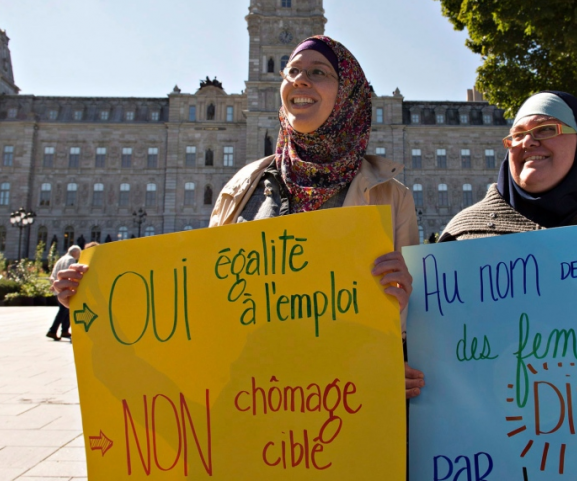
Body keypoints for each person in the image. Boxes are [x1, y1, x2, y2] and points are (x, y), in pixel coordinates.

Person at [53, 36, 421, 397]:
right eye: (291, 70)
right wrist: (97, 298)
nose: (299, 79)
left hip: (347, 397)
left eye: (319, 72)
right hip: (250, 399)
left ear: (348, 95)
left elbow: (417, 320)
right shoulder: (242, 186)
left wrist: (405, 325)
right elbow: (201, 294)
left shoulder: (390, 197)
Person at [403, 91, 577, 397]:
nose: (528, 142)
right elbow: (432, 346)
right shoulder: (463, 236)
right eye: (517, 135)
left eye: (547, 130)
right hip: (495, 432)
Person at [46, 245, 81, 341]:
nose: (79, 256)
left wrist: (54, 284)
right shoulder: (70, 260)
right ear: (75, 253)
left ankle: (64, 330)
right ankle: (52, 330)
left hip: (58, 288)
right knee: (63, 311)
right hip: (65, 289)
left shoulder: (60, 260)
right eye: (79, 254)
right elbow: (70, 275)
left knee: (66, 310)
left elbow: (52, 275)